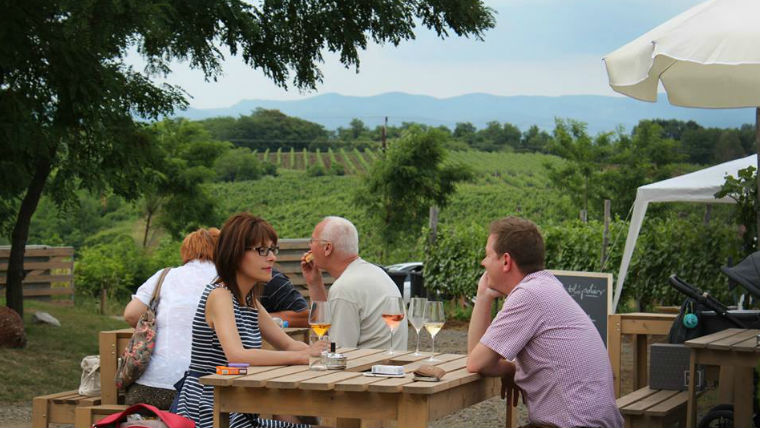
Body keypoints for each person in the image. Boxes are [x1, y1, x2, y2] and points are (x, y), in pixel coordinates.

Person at [466, 216, 622, 428]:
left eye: (487, 255)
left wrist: (482, 296)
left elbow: (476, 362)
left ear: (505, 261)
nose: (483, 263)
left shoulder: (529, 295)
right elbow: (479, 358)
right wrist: (511, 370)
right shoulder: (546, 285)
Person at [175, 213, 324, 428]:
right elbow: (237, 356)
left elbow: (289, 344)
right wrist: (300, 356)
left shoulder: (249, 300)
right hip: (212, 409)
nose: (272, 257)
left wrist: (318, 353)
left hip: (237, 405)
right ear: (235, 253)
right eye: (262, 250)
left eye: (273, 250)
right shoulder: (220, 295)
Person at [122, 227, 220, 409]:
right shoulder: (223, 280)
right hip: (200, 391)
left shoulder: (164, 275)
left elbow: (131, 314)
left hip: (148, 388)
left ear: (186, 251)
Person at [301, 216, 407, 350]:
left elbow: (338, 352)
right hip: (391, 366)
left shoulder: (345, 288)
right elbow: (327, 334)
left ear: (327, 248)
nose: (309, 246)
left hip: (367, 369)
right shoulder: (374, 272)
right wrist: (314, 284)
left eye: (312, 241)